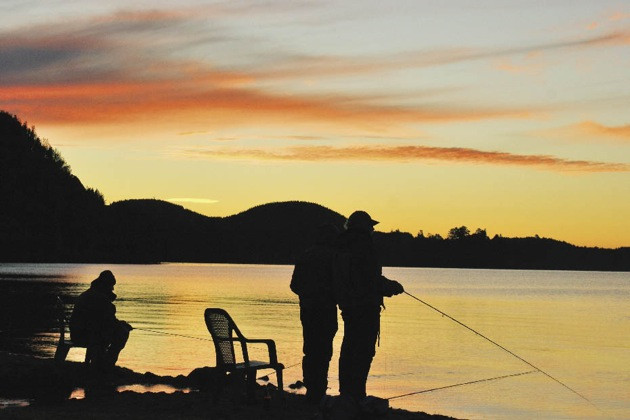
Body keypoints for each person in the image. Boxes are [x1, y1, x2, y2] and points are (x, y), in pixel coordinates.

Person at [333, 211, 404, 404]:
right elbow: (368, 279)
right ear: (363, 226)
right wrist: (390, 287)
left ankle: (347, 393)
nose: (373, 229)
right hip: (365, 306)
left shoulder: (342, 244)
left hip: (348, 305)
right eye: (370, 225)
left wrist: (385, 286)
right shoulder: (363, 245)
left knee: (349, 348)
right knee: (363, 350)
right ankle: (356, 394)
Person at [290, 223, 340, 404]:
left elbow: (294, 285)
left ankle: (312, 389)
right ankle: (318, 390)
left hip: (308, 311)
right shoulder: (333, 257)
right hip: (325, 311)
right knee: (323, 351)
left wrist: (307, 295)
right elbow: (339, 285)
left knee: (310, 350)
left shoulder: (306, 255)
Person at [70, 270, 132, 368]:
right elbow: (108, 321)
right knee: (122, 333)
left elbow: (104, 320)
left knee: (112, 330)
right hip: (85, 335)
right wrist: (123, 325)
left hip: (78, 332)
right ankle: (107, 364)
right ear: (105, 285)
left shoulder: (90, 293)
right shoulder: (99, 298)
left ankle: (102, 360)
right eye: (111, 286)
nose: (112, 289)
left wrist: (119, 323)